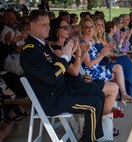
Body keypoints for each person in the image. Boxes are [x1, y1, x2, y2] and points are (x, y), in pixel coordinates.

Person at [20, 10, 104, 142]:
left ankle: (95, 137)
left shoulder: (42, 46)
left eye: (48, 24)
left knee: (99, 94)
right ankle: (88, 140)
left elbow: (62, 70)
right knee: (94, 104)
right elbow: (51, 76)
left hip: (61, 91)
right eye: (44, 24)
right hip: (52, 100)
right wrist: (65, 55)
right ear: (31, 25)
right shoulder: (30, 51)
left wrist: (71, 55)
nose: (48, 27)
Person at [48, 17, 118, 115]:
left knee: (114, 83)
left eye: (68, 27)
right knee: (113, 87)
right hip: (72, 87)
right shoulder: (58, 51)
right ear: (57, 31)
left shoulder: (64, 46)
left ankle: (103, 122)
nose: (69, 29)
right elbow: (75, 71)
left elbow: (76, 67)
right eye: (65, 28)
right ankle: (103, 123)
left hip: (78, 81)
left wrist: (83, 52)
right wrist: (80, 53)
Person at [78, 17, 132, 105]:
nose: (90, 29)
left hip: (97, 68)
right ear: (82, 28)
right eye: (87, 27)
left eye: (91, 26)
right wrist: (102, 55)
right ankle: (114, 100)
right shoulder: (83, 43)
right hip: (90, 73)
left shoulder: (90, 42)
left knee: (118, 68)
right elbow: (89, 65)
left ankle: (123, 95)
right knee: (116, 75)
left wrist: (105, 52)